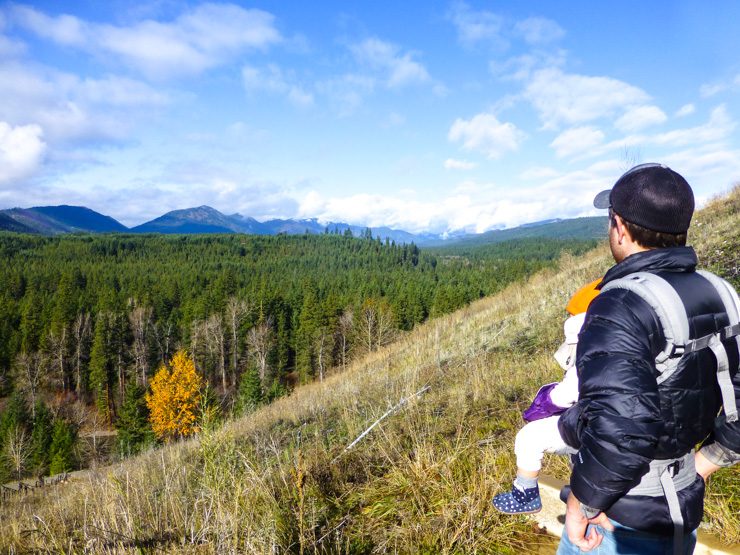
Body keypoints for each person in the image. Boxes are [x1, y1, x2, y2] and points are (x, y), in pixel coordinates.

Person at [556, 163, 740, 554]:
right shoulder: (723, 292)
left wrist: (580, 503)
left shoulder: (620, 303)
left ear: (619, 226)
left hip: (619, 520)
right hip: (682, 509)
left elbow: (623, 429)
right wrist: (706, 461)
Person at [492, 279, 600, 514]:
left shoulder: (593, 342)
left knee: (528, 437)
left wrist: (543, 405)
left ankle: (524, 495)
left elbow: (570, 392)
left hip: (601, 422)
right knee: (577, 442)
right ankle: (581, 488)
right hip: (634, 422)